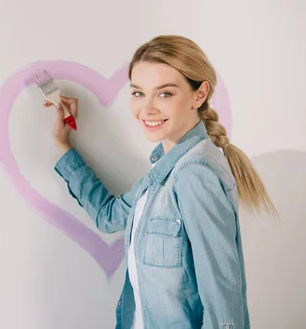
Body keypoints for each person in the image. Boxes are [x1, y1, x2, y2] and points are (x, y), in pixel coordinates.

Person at [44, 35, 278, 329]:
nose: (147, 109)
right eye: (138, 93)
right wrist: (63, 144)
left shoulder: (195, 174)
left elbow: (223, 305)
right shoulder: (163, 172)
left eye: (164, 94)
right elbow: (108, 217)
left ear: (199, 94)